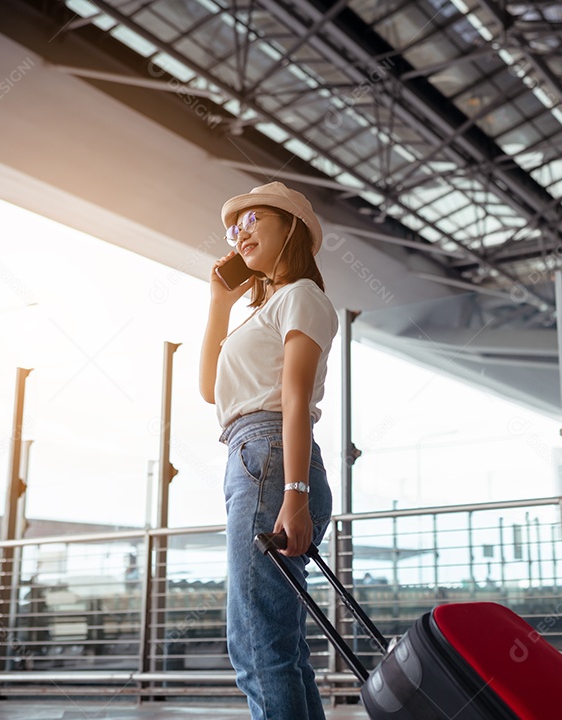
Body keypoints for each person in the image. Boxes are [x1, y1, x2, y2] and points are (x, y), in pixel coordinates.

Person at [199, 181, 338, 720]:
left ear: (291, 229)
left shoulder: (302, 295)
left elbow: (295, 399)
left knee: (257, 645)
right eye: (234, 228)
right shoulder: (265, 308)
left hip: (272, 457)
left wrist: (295, 494)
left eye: (253, 218)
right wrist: (218, 303)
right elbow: (211, 389)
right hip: (252, 457)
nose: (240, 233)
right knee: (277, 646)